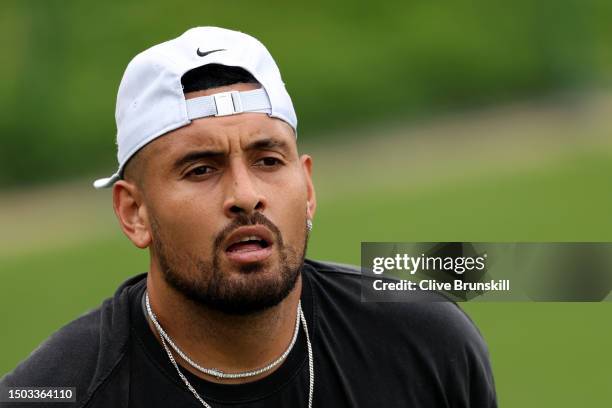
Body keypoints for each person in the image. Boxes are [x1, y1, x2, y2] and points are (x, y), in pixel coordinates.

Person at [0, 27, 497, 407]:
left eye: (267, 160)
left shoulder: (426, 345)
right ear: (135, 213)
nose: (245, 195)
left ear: (307, 189)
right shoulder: (55, 392)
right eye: (200, 169)